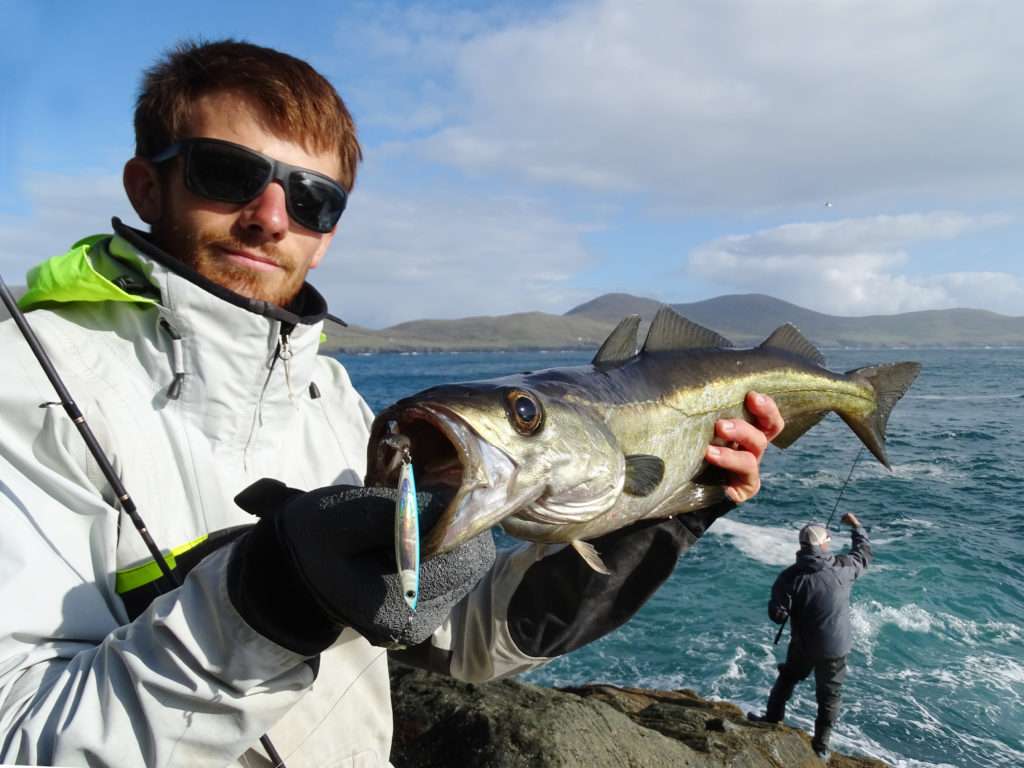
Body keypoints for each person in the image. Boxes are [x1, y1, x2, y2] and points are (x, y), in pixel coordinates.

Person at [0, 39, 785, 767]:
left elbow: (458, 642)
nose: (272, 217)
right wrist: (259, 607)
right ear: (147, 184)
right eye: (225, 173)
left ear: (329, 233)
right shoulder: (24, 387)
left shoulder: (334, 403)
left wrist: (658, 517)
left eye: (313, 199)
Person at [748, 512, 872, 760]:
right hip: (836, 648)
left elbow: (777, 615)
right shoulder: (843, 568)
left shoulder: (789, 577)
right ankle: (822, 746)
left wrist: (781, 610)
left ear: (803, 546)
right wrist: (856, 526)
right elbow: (864, 554)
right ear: (823, 544)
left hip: (803, 646)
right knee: (829, 697)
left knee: (788, 678)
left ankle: (772, 718)